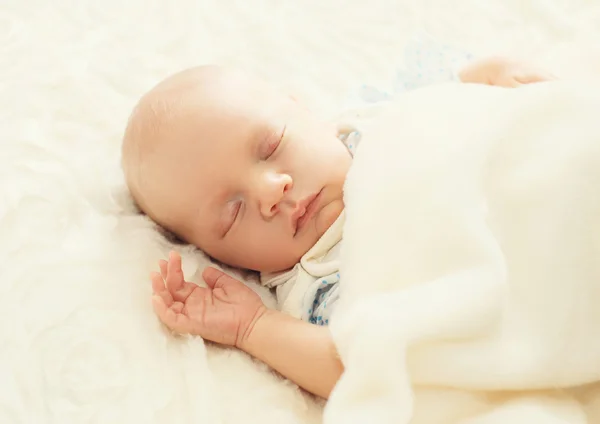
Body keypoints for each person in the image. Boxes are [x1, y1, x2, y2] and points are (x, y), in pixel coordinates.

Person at [121, 53, 554, 399]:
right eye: (234, 213)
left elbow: (442, 91)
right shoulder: (319, 285)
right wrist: (252, 328)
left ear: (302, 110)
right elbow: (357, 366)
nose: (272, 189)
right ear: (222, 258)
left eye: (271, 146)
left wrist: (489, 73)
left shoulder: (369, 118)